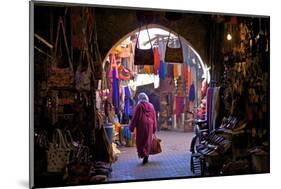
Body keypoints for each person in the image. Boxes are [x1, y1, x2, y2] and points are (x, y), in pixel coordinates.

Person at [129, 92, 157, 164]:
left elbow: (135, 117)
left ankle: (144, 154)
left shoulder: (139, 106)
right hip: (150, 125)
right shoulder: (151, 106)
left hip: (141, 125)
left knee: (141, 140)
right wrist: (154, 128)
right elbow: (154, 117)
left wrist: (131, 127)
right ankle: (146, 155)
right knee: (147, 141)